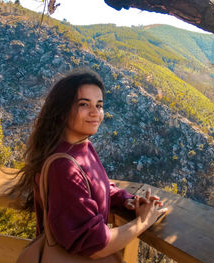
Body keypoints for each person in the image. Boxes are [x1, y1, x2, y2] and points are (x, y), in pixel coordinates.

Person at [9, 68, 167, 259]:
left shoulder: (81, 146)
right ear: (61, 111)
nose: (95, 113)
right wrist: (144, 221)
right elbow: (93, 245)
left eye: (99, 105)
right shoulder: (63, 167)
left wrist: (126, 200)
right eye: (84, 104)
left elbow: (96, 185)